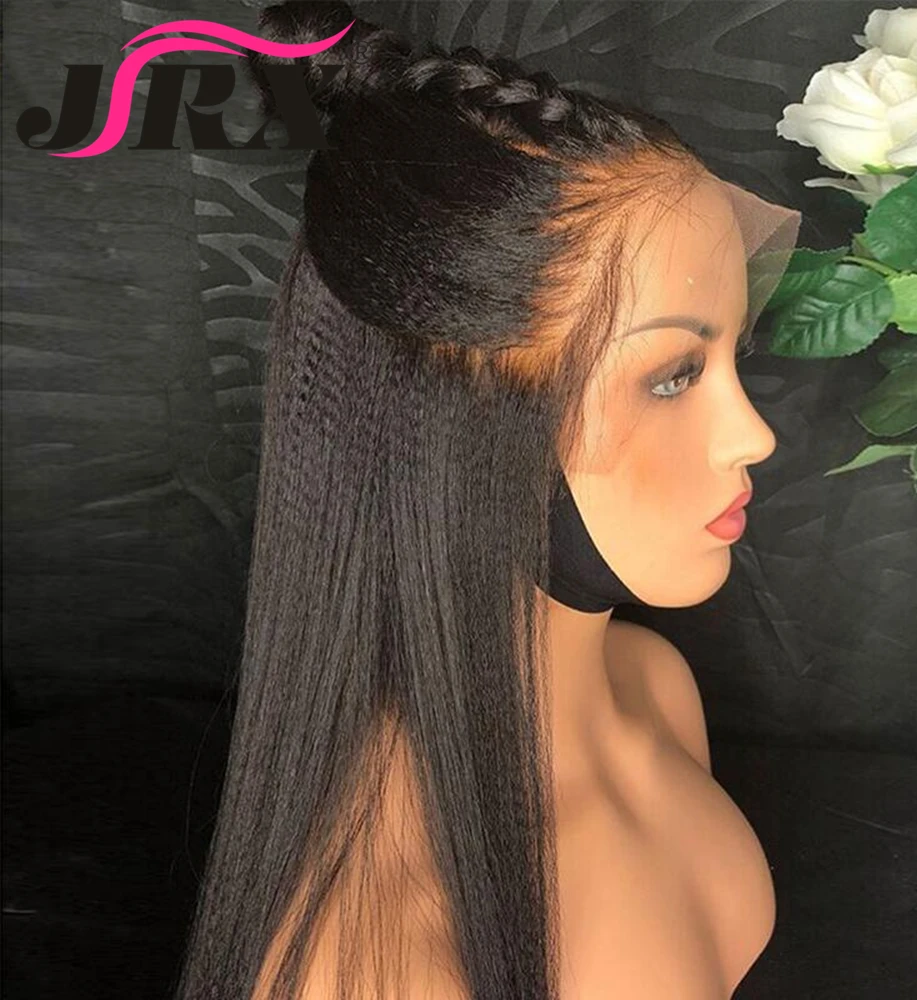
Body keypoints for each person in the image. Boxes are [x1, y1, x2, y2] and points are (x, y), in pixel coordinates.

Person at [171, 3, 801, 999]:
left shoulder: (654, 690)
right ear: (462, 427)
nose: (753, 434)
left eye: (732, 354)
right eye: (673, 376)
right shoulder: (381, 959)